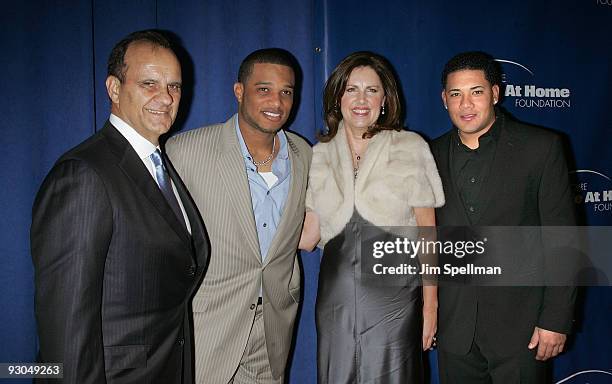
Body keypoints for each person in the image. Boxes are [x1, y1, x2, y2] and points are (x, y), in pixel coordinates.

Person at [31, 30, 209, 383]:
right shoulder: (83, 174)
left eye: (174, 86)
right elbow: (65, 334)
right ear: (114, 89)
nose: (166, 97)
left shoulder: (159, 163)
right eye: (149, 83)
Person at [165, 48, 311, 384]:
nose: (276, 102)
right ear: (239, 91)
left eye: (286, 92)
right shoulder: (186, 151)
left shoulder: (305, 155)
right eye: (264, 89)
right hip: (208, 325)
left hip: (272, 327)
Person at [431, 51, 576, 383]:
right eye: (456, 94)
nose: (466, 104)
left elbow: (563, 241)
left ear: (495, 93)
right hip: (455, 333)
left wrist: (555, 320)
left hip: (522, 330)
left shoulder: (541, 148)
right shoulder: (427, 155)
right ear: (444, 99)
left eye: (476, 92)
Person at [300, 51, 445, 383]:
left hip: (395, 298)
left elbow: (428, 233)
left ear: (385, 98)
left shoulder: (409, 147)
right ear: (338, 97)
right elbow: (308, 235)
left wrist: (430, 306)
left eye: (371, 89)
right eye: (351, 89)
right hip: (336, 302)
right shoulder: (321, 154)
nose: (361, 99)